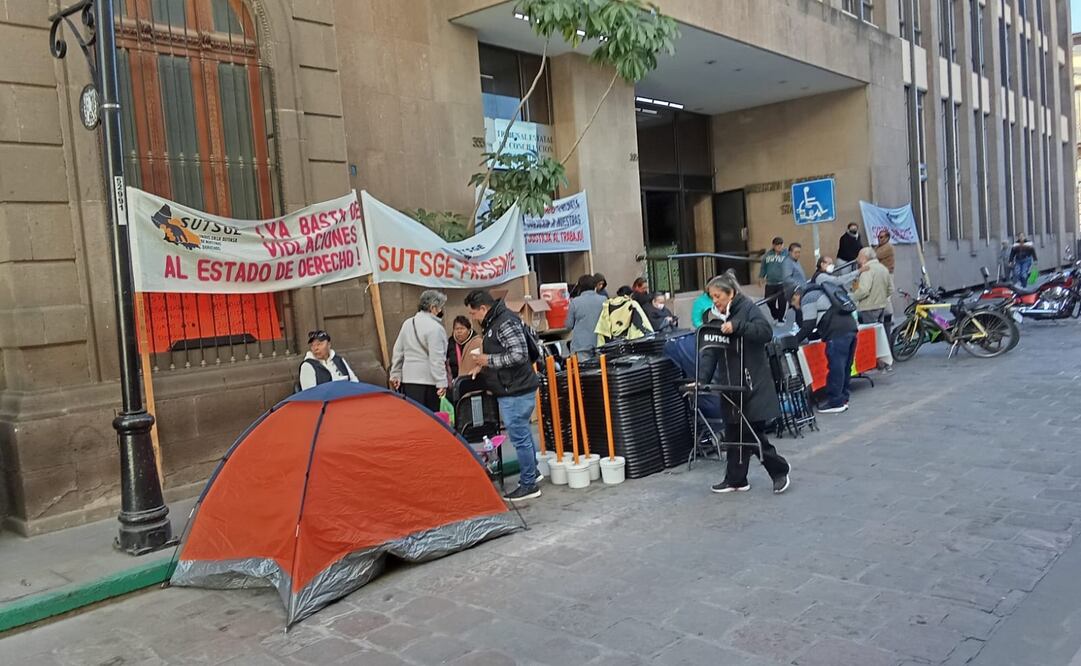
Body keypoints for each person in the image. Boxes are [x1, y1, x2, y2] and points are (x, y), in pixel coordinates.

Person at [698, 274, 791, 495]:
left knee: (750, 433)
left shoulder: (747, 308)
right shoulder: (713, 317)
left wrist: (737, 326)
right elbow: (710, 352)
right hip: (729, 386)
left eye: (718, 296)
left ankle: (780, 471)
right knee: (733, 433)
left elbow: (765, 332)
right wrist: (701, 380)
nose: (715, 301)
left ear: (731, 293)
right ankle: (736, 479)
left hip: (752, 382)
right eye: (712, 297)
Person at [465, 289, 542, 502]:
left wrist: (487, 361)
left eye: (473, 313)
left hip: (516, 389)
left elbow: (519, 355)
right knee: (523, 434)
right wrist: (481, 367)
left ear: (483, 308)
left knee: (519, 437)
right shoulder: (494, 321)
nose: (473, 318)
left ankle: (528, 484)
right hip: (512, 387)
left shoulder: (504, 321)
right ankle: (532, 473)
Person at [791, 257, 860, 414]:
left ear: (796, 296)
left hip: (836, 333)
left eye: (793, 303)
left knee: (836, 366)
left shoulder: (808, 298)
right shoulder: (823, 291)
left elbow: (808, 326)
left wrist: (793, 342)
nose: (795, 307)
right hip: (850, 327)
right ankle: (843, 398)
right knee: (845, 366)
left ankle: (835, 401)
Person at [389, 289, 449, 412]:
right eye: (440, 307)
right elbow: (436, 358)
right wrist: (441, 382)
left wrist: (395, 373)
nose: (441, 311)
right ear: (433, 307)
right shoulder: (436, 329)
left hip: (409, 379)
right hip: (429, 381)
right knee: (432, 418)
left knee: (416, 416)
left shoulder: (407, 323)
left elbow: (398, 351)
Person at [564, 274, 606, 356]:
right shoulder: (604, 300)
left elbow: (568, 325)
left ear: (580, 287)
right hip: (600, 343)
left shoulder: (575, 302)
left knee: (584, 368)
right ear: (594, 286)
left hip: (581, 345)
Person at [852, 247, 893, 326]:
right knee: (879, 333)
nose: (857, 259)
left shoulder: (867, 270)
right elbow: (891, 289)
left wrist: (853, 298)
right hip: (882, 306)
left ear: (864, 258)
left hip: (868, 308)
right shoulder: (883, 268)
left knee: (869, 333)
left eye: (859, 257)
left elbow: (864, 290)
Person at [758, 236, 788, 324]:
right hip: (770, 283)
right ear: (773, 246)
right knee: (768, 301)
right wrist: (761, 277)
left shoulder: (787, 254)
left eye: (781, 245)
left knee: (782, 301)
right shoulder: (767, 255)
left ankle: (781, 319)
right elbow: (763, 267)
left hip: (783, 282)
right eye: (778, 245)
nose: (780, 247)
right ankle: (776, 315)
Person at [874, 229, 896, 341]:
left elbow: (875, 256)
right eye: (879, 237)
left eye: (882, 237)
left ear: (887, 237)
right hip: (880, 274)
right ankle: (886, 318)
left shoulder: (888, 247)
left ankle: (890, 318)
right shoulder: (878, 247)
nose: (880, 239)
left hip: (887, 274)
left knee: (887, 297)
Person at [446, 315, 482, 381]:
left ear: (468, 330)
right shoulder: (450, 343)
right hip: (455, 380)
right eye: (457, 329)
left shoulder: (477, 341)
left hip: (473, 379)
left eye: (462, 328)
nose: (459, 331)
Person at [781, 242, 808, 326]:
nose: (798, 254)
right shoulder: (788, 262)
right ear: (790, 252)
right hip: (795, 291)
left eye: (799, 252)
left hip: (800, 290)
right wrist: (798, 285)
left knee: (800, 311)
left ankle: (800, 328)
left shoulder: (795, 262)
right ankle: (800, 329)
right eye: (795, 252)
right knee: (799, 311)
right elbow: (786, 278)